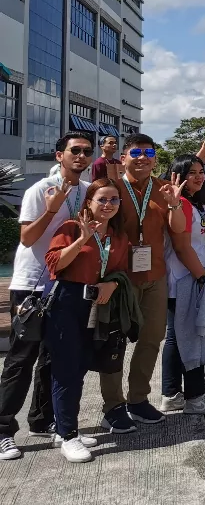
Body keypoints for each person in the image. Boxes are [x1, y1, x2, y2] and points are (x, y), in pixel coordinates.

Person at [0, 132, 93, 459]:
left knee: (54, 358)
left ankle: (43, 420)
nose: (81, 156)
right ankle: (2, 429)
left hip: (65, 284)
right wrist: (50, 209)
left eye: (86, 152)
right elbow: (27, 238)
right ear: (59, 156)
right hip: (33, 284)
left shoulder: (85, 191)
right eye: (74, 151)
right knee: (22, 358)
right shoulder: (41, 190)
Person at [43, 180, 131, 462]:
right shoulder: (70, 227)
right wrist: (82, 239)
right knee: (66, 368)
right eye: (102, 199)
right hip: (67, 302)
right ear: (89, 202)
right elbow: (54, 264)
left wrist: (112, 286)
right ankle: (68, 435)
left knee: (80, 366)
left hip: (95, 306)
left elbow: (121, 271)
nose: (108, 205)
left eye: (114, 200)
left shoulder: (118, 236)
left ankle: (66, 427)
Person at [100, 134, 173, 433]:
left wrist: (175, 205)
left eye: (148, 152)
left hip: (155, 275)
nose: (142, 157)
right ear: (124, 157)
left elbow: (175, 230)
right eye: (136, 152)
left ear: (155, 158)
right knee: (114, 342)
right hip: (121, 279)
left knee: (152, 338)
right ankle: (112, 406)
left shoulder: (163, 190)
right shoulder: (112, 190)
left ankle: (138, 399)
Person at [160, 156, 205, 414]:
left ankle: (171, 393)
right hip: (186, 279)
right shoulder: (182, 204)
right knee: (191, 339)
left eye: (201, 172)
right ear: (178, 176)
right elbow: (181, 246)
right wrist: (202, 277)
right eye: (192, 173)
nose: (199, 177)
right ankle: (195, 398)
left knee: (177, 339)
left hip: (185, 279)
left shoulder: (191, 204)